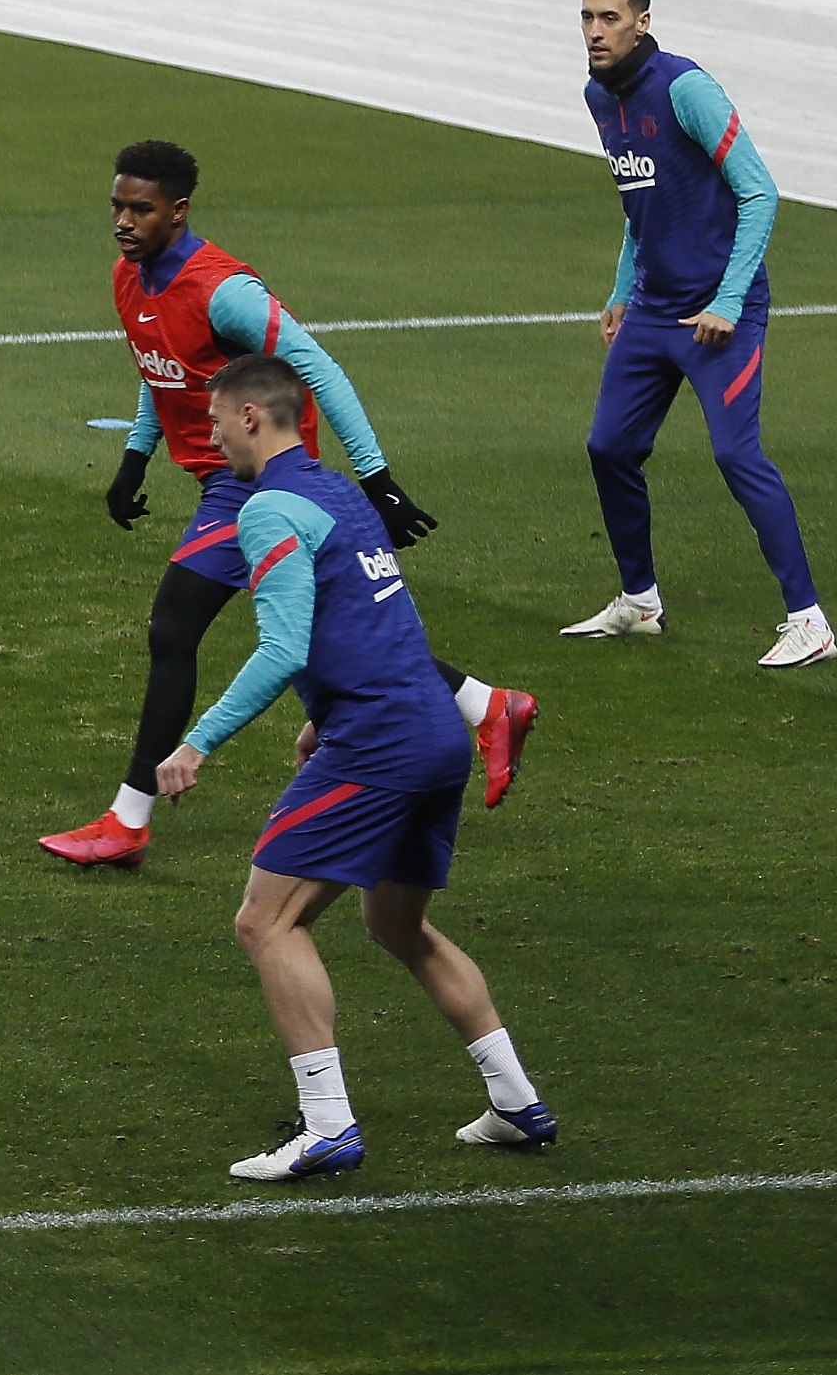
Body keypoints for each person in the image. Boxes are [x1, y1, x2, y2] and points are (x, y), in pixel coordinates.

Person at [39, 141, 534, 869]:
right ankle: (486, 704)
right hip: (222, 482)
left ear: (177, 212)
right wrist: (133, 457)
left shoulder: (223, 289)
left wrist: (377, 479)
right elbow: (162, 368)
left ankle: (128, 817)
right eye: (116, 204)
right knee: (335, 632)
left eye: (139, 208)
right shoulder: (129, 277)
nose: (122, 219)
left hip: (258, 483)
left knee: (173, 628)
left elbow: (316, 366)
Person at [157, 356, 557, 1181]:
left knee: (264, 922)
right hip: (431, 735)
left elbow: (283, 646)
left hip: (377, 744)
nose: (209, 434)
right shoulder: (337, 492)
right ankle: (516, 1099)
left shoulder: (267, 508)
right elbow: (379, 623)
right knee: (394, 925)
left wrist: (197, 741)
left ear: (252, 420)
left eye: (215, 420)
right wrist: (320, 716)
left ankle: (327, 1124)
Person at [564, 0, 829, 667]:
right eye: (586, 17)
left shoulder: (685, 88)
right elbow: (637, 202)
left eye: (608, 18)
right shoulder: (598, 95)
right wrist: (622, 289)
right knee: (607, 446)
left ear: (642, 22)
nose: (594, 31)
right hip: (652, 308)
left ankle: (808, 621)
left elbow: (760, 193)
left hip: (719, 313)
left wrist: (727, 299)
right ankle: (639, 599)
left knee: (735, 454)